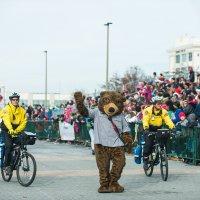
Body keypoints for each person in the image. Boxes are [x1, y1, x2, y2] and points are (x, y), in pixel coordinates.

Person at [142, 95, 175, 170]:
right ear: (154, 104)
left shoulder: (164, 111)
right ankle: (146, 160)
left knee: (162, 142)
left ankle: (160, 155)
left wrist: (172, 127)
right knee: (149, 144)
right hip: (149, 128)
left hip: (158, 129)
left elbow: (168, 120)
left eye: (160, 103)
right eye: (158, 103)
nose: (160, 105)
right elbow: (145, 120)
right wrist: (146, 128)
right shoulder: (148, 110)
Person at [0, 92, 27, 174]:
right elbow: (7, 120)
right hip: (6, 129)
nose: (15, 101)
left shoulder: (22, 110)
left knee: (24, 139)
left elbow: (24, 122)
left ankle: (18, 159)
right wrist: (11, 129)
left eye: (17, 99)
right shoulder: (6, 109)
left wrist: (17, 130)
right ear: (11, 100)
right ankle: (6, 165)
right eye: (13, 99)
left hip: (16, 130)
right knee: (9, 146)